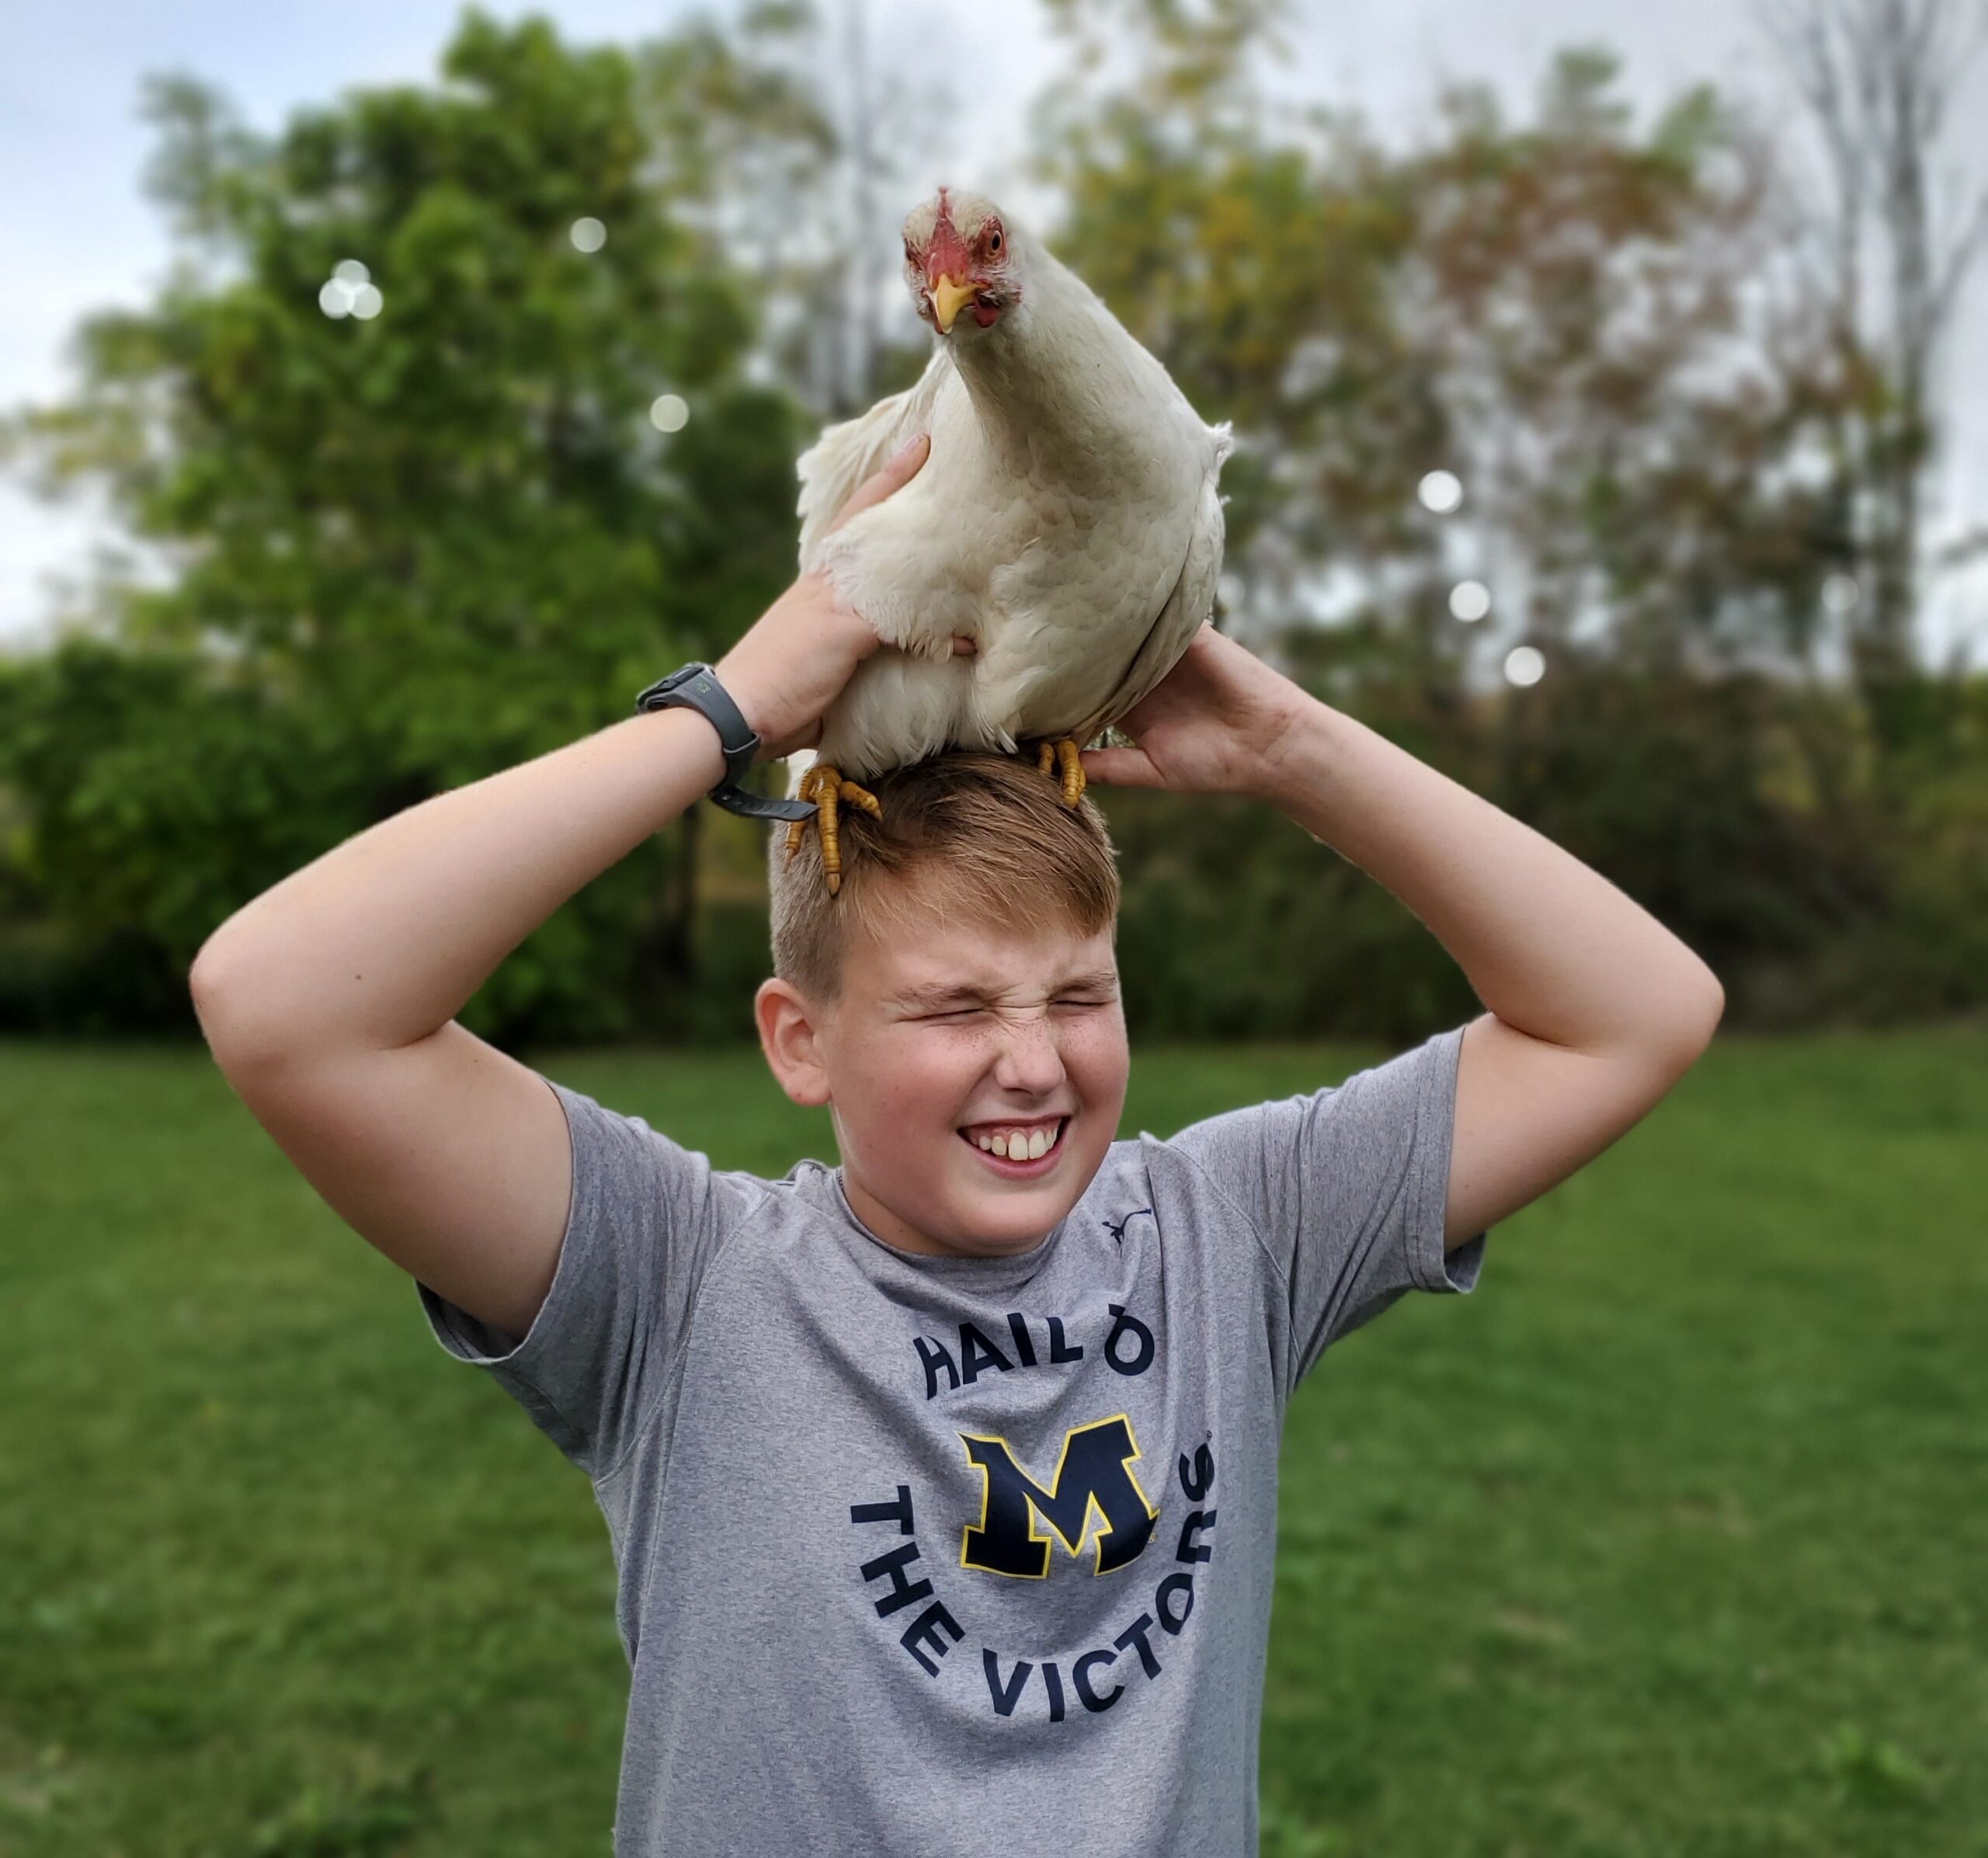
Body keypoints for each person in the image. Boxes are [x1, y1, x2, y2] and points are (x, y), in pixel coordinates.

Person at [189, 436, 1723, 1856]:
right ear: (799, 1039)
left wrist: (1288, 745)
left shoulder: (1232, 1228)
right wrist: (731, 708)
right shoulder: (673, 1283)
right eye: (950, 1005)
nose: (1032, 1058)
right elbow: (284, 1004)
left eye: (1078, 990)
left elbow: (1632, 1013)